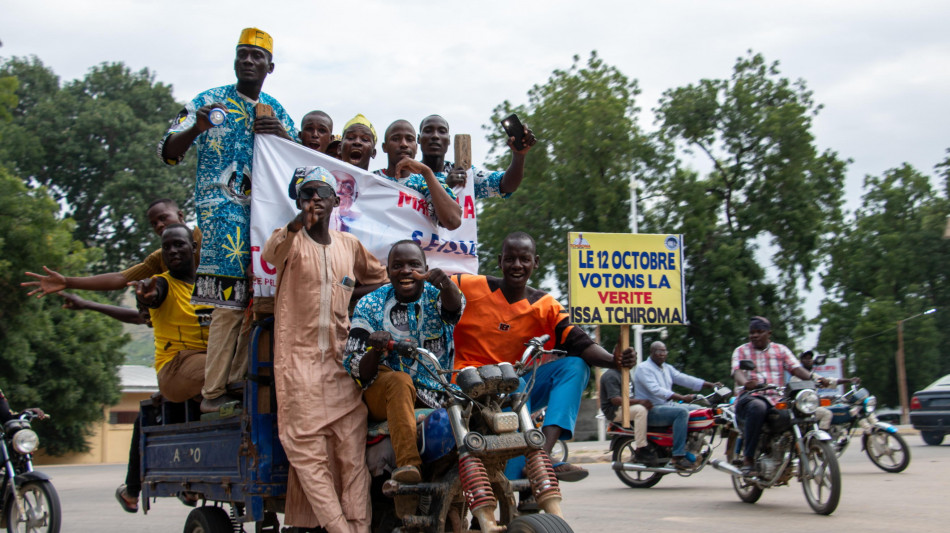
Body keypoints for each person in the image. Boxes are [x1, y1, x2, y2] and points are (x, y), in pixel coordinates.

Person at [157, 28, 296, 414]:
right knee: (227, 305)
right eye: (242, 54)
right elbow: (167, 151)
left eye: (256, 56)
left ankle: (235, 383)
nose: (248, 61)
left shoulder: (276, 110)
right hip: (222, 219)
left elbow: (302, 168)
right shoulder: (207, 101)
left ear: (271, 66)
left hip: (265, 220)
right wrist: (196, 128)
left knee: (256, 304)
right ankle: (213, 393)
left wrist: (283, 136)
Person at [451, 231, 636, 482]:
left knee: (575, 366)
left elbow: (579, 342)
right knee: (518, 382)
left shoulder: (545, 305)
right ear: (499, 261)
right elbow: (424, 283)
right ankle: (523, 478)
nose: (517, 265)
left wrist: (614, 361)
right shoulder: (470, 285)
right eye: (510, 259)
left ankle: (542, 456)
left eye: (524, 259)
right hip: (470, 387)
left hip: (514, 387)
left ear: (535, 262)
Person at [262, 166, 388, 533]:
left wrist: (351, 294)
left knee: (351, 457)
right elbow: (271, 255)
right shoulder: (289, 239)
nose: (314, 200)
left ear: (336, 200)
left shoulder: (349, 246)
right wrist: (298, 222)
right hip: (298, 365)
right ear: (299, 202)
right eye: (307, 194)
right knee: (309, 455)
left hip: (341, 367)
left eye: (321, 194)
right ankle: (340, 529)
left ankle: (358, 526)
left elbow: (380, 280)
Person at [343, 240, 463, 517]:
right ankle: (408, 468)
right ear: (388, 271)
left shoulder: (438, 294)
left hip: (434, 391)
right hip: (383, 391)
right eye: (398, 266)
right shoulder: (370, 304)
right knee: (399, 381)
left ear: (426, 269)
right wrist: (375, 348)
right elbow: (358, 372)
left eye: (413, 265)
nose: (406, 271)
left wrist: (446, 284)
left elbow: (454, 309)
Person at [115, 224, 211, 514]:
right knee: (229, 371)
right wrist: (145, 296)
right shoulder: (162, 282)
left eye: (179, 245)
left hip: (209, 363)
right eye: (166, 247)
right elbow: (151, 294)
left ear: (194, 249)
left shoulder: (210, 284)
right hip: (177, 366)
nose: (172, 251)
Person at [22, 199, 199, 297]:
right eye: (154, 224)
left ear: (180, 215)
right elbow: (120, 278)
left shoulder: (208, 237)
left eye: (163, 218)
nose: (160, 225)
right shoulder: (160, 258)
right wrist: (67, 282)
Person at [731, 316, 832, 476]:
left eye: (759, 332)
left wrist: (816, 379)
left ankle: (795, 451)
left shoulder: (781, 350)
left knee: (799, 411)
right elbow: (737, 372)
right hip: (751, 397)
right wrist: (746, 382)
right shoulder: (741, 351)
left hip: (777, 398)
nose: (754, 335)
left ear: (769, 333)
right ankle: (748, 458)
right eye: (752, 332)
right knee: (758, 407)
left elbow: (796, 368)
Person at [634, 341, 721, 470]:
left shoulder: (666, 368)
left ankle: (693, 445)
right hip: (652, 409)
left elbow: (683, 378)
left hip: (668, 405)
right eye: (659, 351)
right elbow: (656, 390)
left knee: (701, 411)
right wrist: (681, 398)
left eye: (664, 351)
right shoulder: (643, 368)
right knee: (681, 413)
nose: (662, 354)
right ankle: (678, 456)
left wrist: (709, 385)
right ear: (651, 353)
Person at [417, 114, 536, 198]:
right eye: (428, 130)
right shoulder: (407, 175)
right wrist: (446, 186)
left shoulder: (463, 174)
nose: (435, 136)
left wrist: (519, 155)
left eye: (442, 131)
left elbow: (506, 185)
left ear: (448, 140)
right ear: (418, 139)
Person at [373, 119, 461, 229]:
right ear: (384, 147)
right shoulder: (372, 180)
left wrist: (426, 172)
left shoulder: (427, 182)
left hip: (417, 246)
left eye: (409, 139)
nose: (404, 144)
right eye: (395, 139)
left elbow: (453, 221)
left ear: (416, 148)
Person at [599, 354, 654, 464]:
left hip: (625, 407)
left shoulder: (625, 373)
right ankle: (641, 448)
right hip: (614, 410)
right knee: (640, 410)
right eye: (629, 360)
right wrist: (640, 402)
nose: (632, 362)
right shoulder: (611, 375)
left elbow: (631, 395)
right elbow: (615, 400)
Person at [794, 350, 860, 430]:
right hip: (804, 410)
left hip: (812, 407)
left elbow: (830, 382)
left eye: (810, 358)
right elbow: (802, 397)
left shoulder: (813, 376)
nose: (809, 360)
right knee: (827, 414)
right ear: (801, 361)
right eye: (806, 358)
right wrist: (821, 399)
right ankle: (821, 440)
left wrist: (849, 380)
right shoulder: (796, 378)